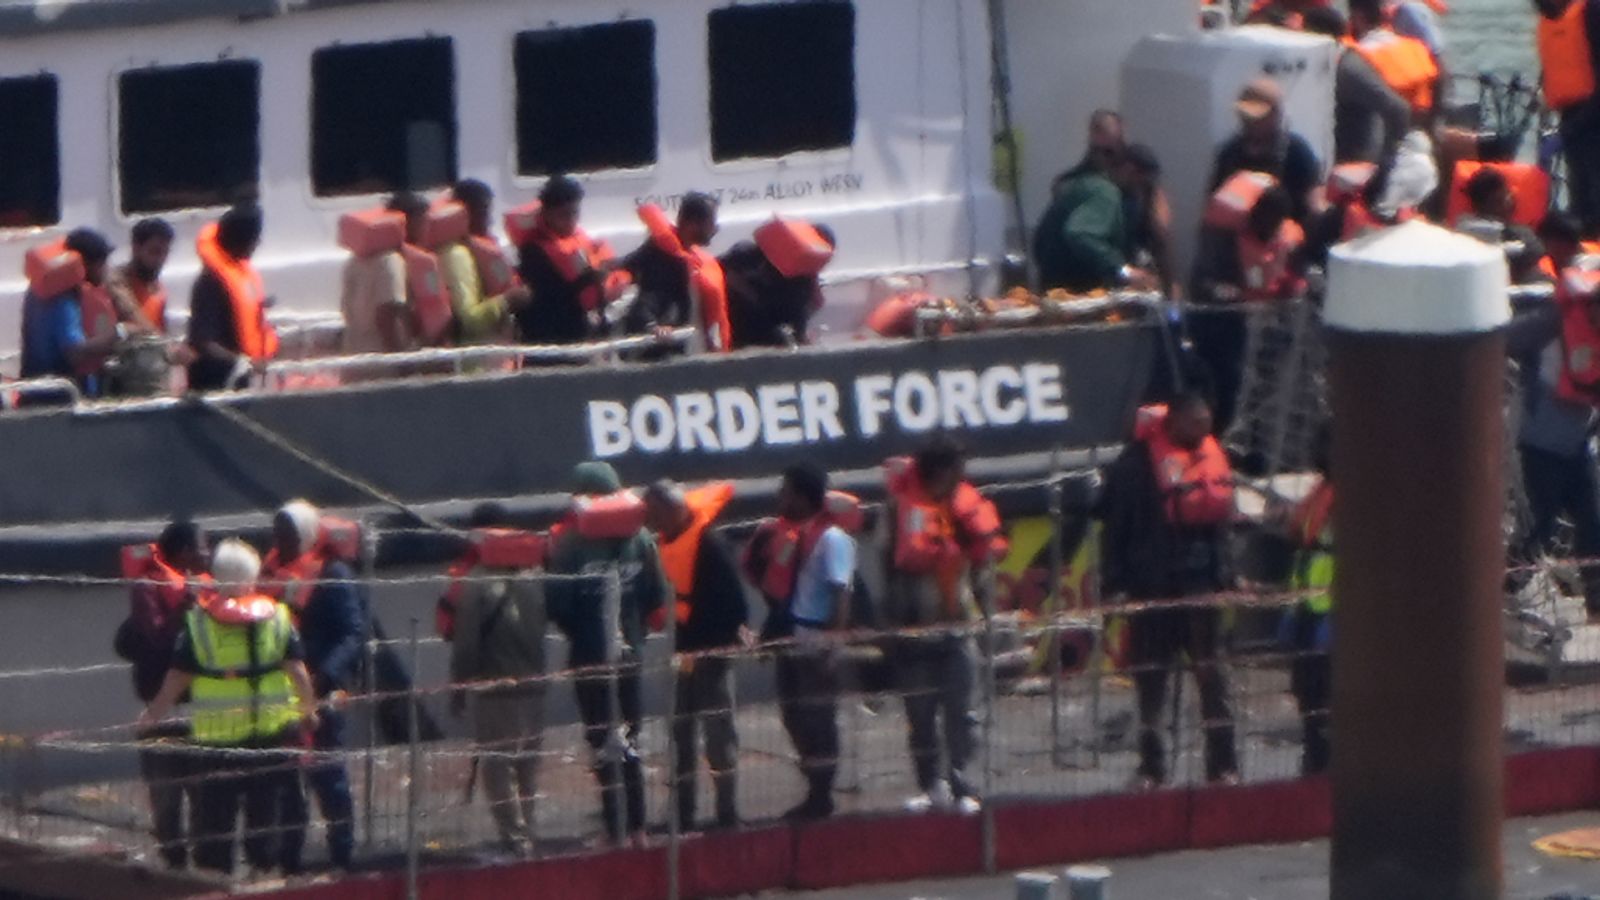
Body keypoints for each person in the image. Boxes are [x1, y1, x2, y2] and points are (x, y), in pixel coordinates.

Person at [140, 539, 318, 877]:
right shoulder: (279, 617)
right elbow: (297, 670)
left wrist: (152, 717)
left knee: (215, 820)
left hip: (218, 739)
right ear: (252, 577)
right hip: (271, 734)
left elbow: (177, 677)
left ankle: (215, 878)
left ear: (217, 578)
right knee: (265, 816)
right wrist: (308, 711)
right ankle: (263, 874)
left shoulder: (199, 624)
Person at [1098, 394, 1240, 789]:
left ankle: (1223, 766)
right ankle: (1152, 768)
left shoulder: (1211, 457)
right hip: (1153, 586)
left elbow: (1222, 525)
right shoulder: (1134, 466)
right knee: (1152, 680)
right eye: (1194, 426)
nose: (1201, 435)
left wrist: (1229, 574)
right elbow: (1115, 530)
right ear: (1173, 421)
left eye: (1205, 426)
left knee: (1213, 676)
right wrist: (1114, 585)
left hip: (1202, 585)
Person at [880, 440, 1007, 815]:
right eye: (957, 468)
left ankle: (962, 784)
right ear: (941, 471)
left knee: (963, 711)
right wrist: (889, 626)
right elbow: (889, 562)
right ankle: (930, 785)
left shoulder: (966, 510)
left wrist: (986, 613)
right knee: (920, 716)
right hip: (915, 628)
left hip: (958, 628)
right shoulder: (899, 509)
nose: (963, 476)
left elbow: (984, 568)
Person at [546, 462, 668, 846]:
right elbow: (656, 595)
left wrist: (580, 632)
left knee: (602, 742)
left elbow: (557, 604)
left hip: (589, 656)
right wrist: (636, 632)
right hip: (631, 654)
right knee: (631, 740)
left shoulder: (569, 544)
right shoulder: (643, 539)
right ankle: (638, 829)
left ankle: (614, 828)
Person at [749, 464, 856, 821]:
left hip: (816, 641)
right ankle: (813, 785)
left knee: (818, 718)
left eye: (786, 490)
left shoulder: (832, 539)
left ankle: (822, 794)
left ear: (802, 496)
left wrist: (833, 644)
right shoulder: (790, 536)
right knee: (793, 716)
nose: (781, 497)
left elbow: (841, 593)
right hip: (790, 639)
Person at [262, 501, 363, 871]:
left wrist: (321, 678)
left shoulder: (333, 574)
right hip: (278, 693)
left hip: (321, 691)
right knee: (285, 780)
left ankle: (342, 852)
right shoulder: (272, 569)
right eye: (276, 533)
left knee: (327, 775)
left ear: (305, 534)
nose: (278, 540)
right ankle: (289, 856)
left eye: (286, 533)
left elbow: (352, 635)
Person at [642, 480, 747, 831]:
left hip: (712, 653)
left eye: (655, 515)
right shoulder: (665, 542)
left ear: (672, 510)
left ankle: (727, 812)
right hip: (682, 650)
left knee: (719, 735)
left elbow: (736, 604)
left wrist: (715, 646)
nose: (651, 524)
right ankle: (681, 813)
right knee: (680, 733)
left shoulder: (710, 544)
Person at [114, 522, 210, 870]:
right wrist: (182, 612)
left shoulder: (206, 587)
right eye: (203, 546)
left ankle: (207, 860)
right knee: (167, 793)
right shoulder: (148, 587)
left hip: (203, 707)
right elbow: (156, 643)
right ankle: (174, 861)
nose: (208, 554)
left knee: (205, 791)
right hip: (161, 709)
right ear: (184, 550)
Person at [449, 526, 549, 856]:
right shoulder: (534, 581)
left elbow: (465, 644)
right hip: (534, 685)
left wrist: (459, 687)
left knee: (497, 766)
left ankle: (514, 835)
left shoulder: (477, 583)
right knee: (527, 766)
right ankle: (528, 830)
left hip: (495, 686)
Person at [1520, 212, 1600, 616]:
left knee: (1594, 522)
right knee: (1541, 525)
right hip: (1542, 441)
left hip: (1578, 443)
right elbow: (1514, 337)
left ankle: (1598, 606)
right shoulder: (1558, 317)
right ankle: (1502, 591)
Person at [1349, 0, 1443, 215]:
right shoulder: (1415, 48)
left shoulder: (1357, 58)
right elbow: (1440, 79)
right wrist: (1434, 130)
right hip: (1421, 141)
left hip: (1378, 154)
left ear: (1357, 16)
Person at [514, 176, 631, 345]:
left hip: (581, 332)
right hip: (548, 338)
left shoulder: (578, 239)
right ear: (546, 213)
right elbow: (548, 298)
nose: (571, 220)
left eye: (574, 213)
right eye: (563, 214)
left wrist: (605, 272)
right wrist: (589, 279)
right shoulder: (533, 251)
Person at [1302, 7, 1410, 179]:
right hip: (1327, 156)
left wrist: (1388, 161)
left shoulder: (1349, 69)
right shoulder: (1319, 63)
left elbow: (1398, 108)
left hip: (1356, 162)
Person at [1034, 149, 1160, 293]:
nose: (1140, 190)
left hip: (1052, 281)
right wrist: (1123, 270)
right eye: (1142, 183)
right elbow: (1081, 233)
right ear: (1130, 170)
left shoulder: (1089, 183)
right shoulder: (1105, 193)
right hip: (1072, 288)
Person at [623, 194, 733, 353]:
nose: (715, 229)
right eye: (711, 223)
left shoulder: (692, 257)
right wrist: (653, 326)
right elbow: (648, 297)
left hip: (698, 348)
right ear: (692, 224)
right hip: (669, 352)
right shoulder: (662, 259)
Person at [1282, 436, 1334, 776]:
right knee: (1307, 689)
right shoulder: (1320, 492)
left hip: (1337, 614)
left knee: (1331, 693)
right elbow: (1296, 536)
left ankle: (1327, 761)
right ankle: (1314, 758)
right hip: (1306, 608)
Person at [20, 228, 121, 398]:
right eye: (103, 262)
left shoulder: (40, 289)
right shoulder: (62, 299)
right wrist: (119, 335)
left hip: (38, 391)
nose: (106, 269)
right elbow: (75, 352)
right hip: (54, 400)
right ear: (87, 264)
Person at [188, 204, 278, 392]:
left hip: (239, 380)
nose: (258, 243)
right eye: (255, 238)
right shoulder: (210, 282)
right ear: (242, 240)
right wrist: (242, 362)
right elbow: (203, 341)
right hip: (215, 384)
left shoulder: (242, 273)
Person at [1209, 79, 1323, 225]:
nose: (1250, 122)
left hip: (1288, 240)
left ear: (1276, 114)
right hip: (1242, 240)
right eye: (1245, 115)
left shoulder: (1297, 151)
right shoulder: (1229, 153)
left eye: (1258, 117)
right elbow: (1214, 208)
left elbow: (1314, 205)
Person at [1534, 0, 1600, 233]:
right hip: (1572, 118)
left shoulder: (1592, 12)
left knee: (1593, 201)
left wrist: (1568, 132)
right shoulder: (1552, 19)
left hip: (1592, 117)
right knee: (1579, 198)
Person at [722, 223, 836, 350]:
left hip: (768, 341)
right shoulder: (745, 253)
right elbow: (719, 272)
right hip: (734, 332)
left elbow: (796, 330)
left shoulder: (801, 285)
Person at [449, 179, 532, 345]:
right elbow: (467, 320)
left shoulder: (486, 246)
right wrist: (506, 301)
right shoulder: (457, 256)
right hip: (477, 359)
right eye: (483, 212)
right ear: (464, 214)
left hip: (501, 350)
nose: (488, 220)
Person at [340, 196, 412, 356]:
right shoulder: (391, 261)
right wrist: (402, 362)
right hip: (380, 363)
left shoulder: (354, 261)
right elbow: (387, 316)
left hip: (353, 357)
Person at [1456, 167, 1549, 284]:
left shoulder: (1462, 227)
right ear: (1483, 206)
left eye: (1508, 194)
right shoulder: (1473, 230)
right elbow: (1537, 250)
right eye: (1499, 200)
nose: (1509, 201)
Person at [107, 218, 176, 335]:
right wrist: (167, 344)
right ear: (136, 248)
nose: (161, 260)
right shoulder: (117, 281)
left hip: (153, 349)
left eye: (165, 252)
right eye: (155, 251)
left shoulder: (158, 287)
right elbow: (132, 314)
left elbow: (162, 330)